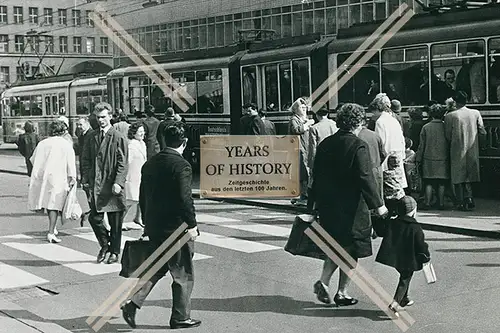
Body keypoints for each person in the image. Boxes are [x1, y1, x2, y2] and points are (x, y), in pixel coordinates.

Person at [121, 123, 201, 329]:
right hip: (176, 228)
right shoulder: (182, 165)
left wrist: (147, 223)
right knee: (183, 273)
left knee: (158, 267)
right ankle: (180, 317)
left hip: (155, 226)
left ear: (163, 140)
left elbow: (143, 196)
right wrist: (192, 224)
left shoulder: (151, 164)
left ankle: (133, 302)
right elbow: (185, 199)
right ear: (183, 142)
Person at [309, 103, 388, 306]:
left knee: (337, 246)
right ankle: (342, 292)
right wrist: (378, 205)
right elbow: (365, 177)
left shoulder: (326, 143)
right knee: (352, 249)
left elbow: (316, 176)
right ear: (359, 122)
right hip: (353, 208)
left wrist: (312, 204)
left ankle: (324, 281)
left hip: (328, 206)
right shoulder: (358, 145)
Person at [81, 102, 128, 264]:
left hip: (112, 184)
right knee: (94, 218)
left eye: (103, 117)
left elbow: (123, 163)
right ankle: (104, 245)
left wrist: (118, 182)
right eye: (98, 117)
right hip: (96, 184)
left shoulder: (118, 137)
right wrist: (85, 179)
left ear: (110, 117)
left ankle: (115, 252)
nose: (100, 120)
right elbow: (85, 159)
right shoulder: (91, 136)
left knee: (116, 222)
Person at [375, 196, 430, 318]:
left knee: (405, 276)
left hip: (395, 258)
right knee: (405, 279)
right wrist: (426, 257)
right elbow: (421, 245)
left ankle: (404, 298)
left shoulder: (394, 222)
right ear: (413, 211)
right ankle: (394, 305)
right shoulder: (415, 227)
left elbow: (382, 230)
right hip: (408, 259)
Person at [28, 121, 77, 243]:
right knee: (54, 204)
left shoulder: (42, 143)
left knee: (49, 204)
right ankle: (51, 232)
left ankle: (53, 227)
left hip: (44, 177)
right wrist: (72, 177)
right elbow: (71, 163)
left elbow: (33, 159)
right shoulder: (65, 145)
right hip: (59, 177)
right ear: (63, 131)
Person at [444, 91, 486, 211]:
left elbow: (447, 135)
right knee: (469, 176)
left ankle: (461, 201)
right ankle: (469, 197)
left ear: (455, 102)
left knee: (458, 176)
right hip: (473, 148)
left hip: (457, 148)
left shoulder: (450, 116)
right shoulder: (475, 113)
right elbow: (482, 131)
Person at [416, 104, 450, 210]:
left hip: (428, 159)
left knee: (428, 182)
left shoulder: (426, 127)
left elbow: (422, 145)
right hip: (443, 158)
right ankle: (441, 203)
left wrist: (418, 159)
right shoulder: (446, 127)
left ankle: (427, 203)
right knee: (441, 182)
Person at [289, 98, 315, 206]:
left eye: (305, 108)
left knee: (305, 171)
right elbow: (296, 130)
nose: (304, 110)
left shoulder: (304, 118)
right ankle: (303, 194)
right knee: (302, 171)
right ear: (296, 109)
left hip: (305, 148)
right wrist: (307, 124)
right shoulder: (294, 119)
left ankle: (304, 194)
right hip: (298, 148)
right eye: (302, 108)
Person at [307, 106, 338, 190]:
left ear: (317, 115)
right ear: (327, 114)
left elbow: (313, 148)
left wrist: (311, 165)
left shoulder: (314, 128)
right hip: (335, 157)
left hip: (321, 158)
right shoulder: (334, 124)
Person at [125, 122, 147, 228]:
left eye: (143, 131)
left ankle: (138, 218)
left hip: (140, 174)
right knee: (130, 201)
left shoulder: (142, 143)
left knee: (141, 198)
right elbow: (127, 162)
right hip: (132, 175)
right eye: (140, 131)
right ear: (134, 133)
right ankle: (118, 221)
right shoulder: (131, 145)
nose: (142, 133)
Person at [76, 117, 93, 226]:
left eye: (80, 125)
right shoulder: (82, 136)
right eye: (77, 125)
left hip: (90, 169)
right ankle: (90, 214)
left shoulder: (91, 135)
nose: (78, 127)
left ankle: (89, 214)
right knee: (89, 193)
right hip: (85, 169)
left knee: (91, 194)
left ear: (87, 124)